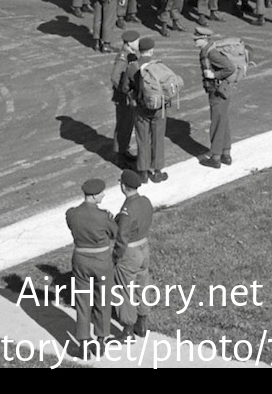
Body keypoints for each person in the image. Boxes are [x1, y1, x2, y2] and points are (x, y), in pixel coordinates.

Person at [65, 178, 117, 349]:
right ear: (94, 196)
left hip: (80, 260)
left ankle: (83, 342)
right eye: (101, 193)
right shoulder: (103, 217)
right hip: (101, 261)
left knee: (82, 301)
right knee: (103, 299)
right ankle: (102, 338)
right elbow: (114, 233)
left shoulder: (72, 214)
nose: (103, 194)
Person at [112, 168, 154, 339]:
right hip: (144, 246)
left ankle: (128, 328)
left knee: (125, 289)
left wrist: (115, 257)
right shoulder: (145, 201)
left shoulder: (127, 210)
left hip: (130, 252)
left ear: (123, 186)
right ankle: (141, 323)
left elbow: (122, 238)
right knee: (142, 285)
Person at [129, 37, 169, 183]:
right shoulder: (158, 65)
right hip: (159, 108)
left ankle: (143, 173)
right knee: (158, 138)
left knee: (142, 139)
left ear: (139, 50)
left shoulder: (133, 66)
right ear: (152, 50)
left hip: (141, 108)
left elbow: (125, 87)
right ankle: (157, 171)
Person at [196, 29, 235, 168]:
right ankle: (226, 154)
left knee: (217, 122)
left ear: (204, 38)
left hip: (217, 91)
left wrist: (214, 75)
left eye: (197, 39)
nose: (194, 41)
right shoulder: (210, 50)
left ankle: (216, 157)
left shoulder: (211, 53)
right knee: (223, 120)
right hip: (223, 90)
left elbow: (229, 68)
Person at [111, 29, 141, 166]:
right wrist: (126, 91)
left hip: (126, 97)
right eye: (136, 41)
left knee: (128, 124)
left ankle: (124, 150)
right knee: (123, 125)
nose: (138, 43)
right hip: (123, 98)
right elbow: (115, 77)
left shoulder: (130, 54)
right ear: (129, 43)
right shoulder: (123, 57)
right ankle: (119, 155)